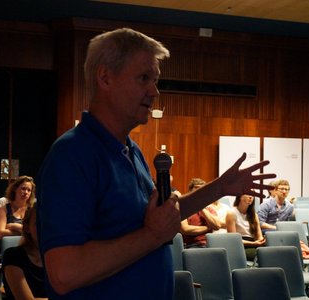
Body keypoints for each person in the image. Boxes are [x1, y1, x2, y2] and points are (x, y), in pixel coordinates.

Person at [36, 27, 275, 299]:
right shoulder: (72, 155)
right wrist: (152, 235)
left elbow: (162, 219)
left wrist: (219, 188)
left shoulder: (131, 151)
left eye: (155, 79)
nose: (155, 91)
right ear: (105, 77)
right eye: (144, 78)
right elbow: (64, 273)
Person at [2, 203, 47, 300]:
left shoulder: (59, 258)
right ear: (27, 228)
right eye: (38, 223)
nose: (45, 228)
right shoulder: (13, 256)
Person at [0, 176, 36, 252]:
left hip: (29, 250)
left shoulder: (32, 210)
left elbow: (35, 233)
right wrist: (25, 232)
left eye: (29, 190)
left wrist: (15, 226)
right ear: (15, 189)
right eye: (23, 188)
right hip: (9, 249)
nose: (26, 192)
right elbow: (0, 233)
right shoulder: (3, 209)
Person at [181, 178, 220, 247]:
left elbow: (217, 226)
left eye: (202, 189)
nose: (199, 192)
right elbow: (185, 229)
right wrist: (208, 228)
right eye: (196, 189)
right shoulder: (184, 208)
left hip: (210, 244)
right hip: (192, 245)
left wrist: (201, 208)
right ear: (190, 192)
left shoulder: (209, 209)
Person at [226, 194, 266, 261]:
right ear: (240, 196)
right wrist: (253, 243)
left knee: (270, 252)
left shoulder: (253, 214)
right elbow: (233, 240)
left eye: (252, 195)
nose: (250, 197)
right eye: (248, 194)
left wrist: (262, 241)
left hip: (254, 243)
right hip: (241, 245)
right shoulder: (231, 213)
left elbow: (259, 236)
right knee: (262, 255)